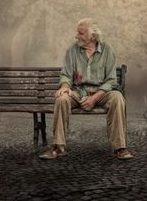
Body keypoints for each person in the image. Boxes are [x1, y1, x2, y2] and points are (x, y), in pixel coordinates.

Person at [39, 18, 134, 160]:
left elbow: (111, 81)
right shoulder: (73, 49)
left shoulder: (107, 50)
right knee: (62, 99)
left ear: (93, 36)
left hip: (101, 93)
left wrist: (93, 98)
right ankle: (58, 147)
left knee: (117, 98)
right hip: (78, 92)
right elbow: (66, 74)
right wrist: (65, 87)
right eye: (77, 32)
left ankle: (120, 148)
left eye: (81, 33)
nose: (76, 36)